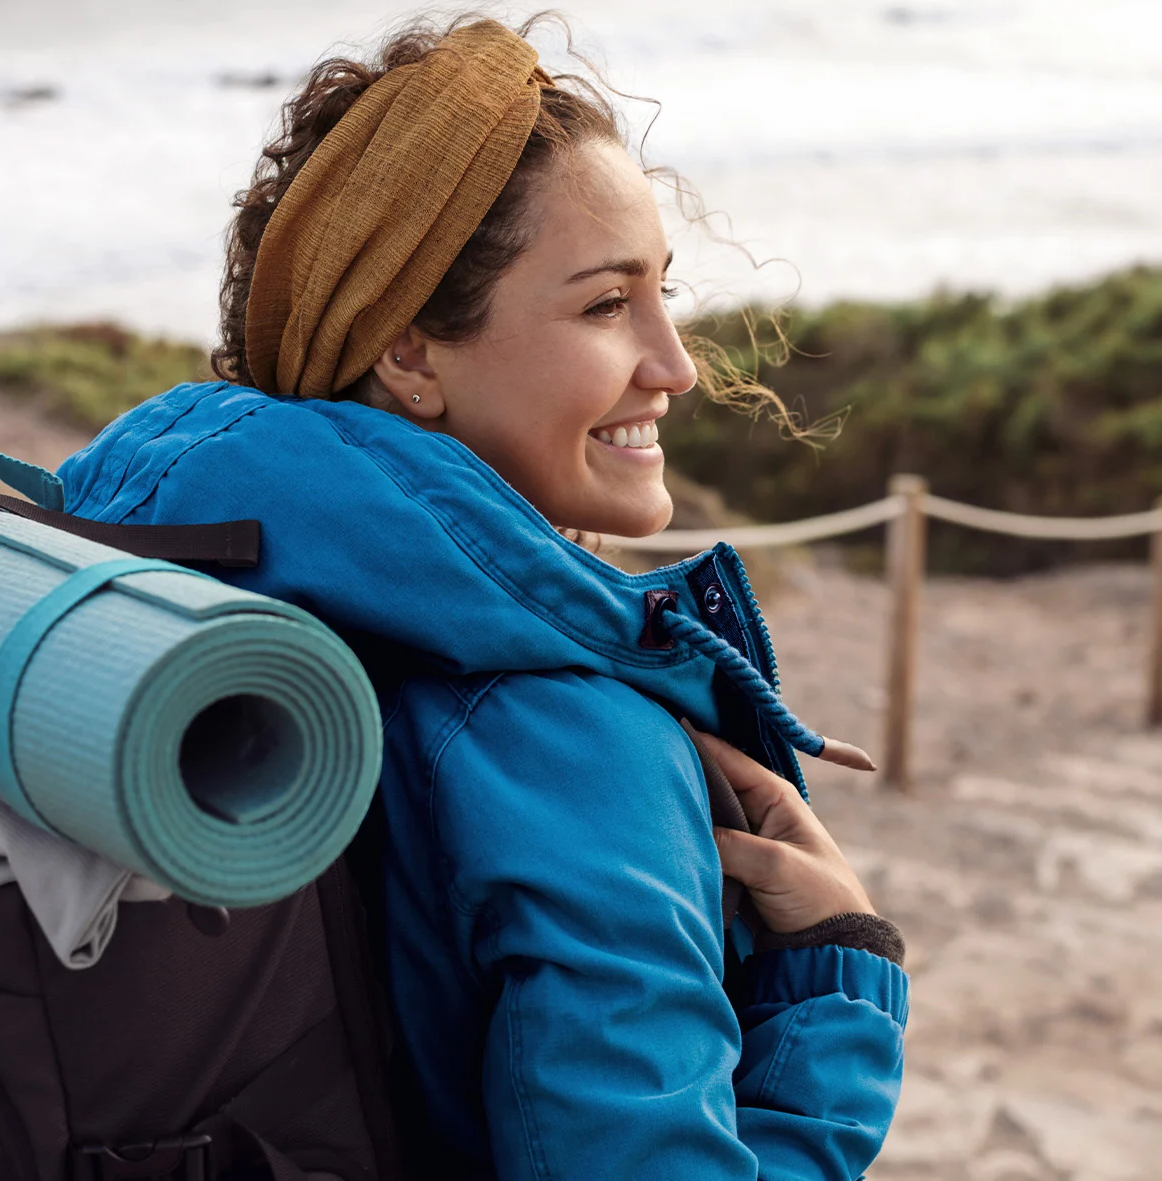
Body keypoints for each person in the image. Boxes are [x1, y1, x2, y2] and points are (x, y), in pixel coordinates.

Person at [60, 14, 907, 1178]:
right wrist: (838, 987)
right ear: (411, 355)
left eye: (663, 292)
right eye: (608, 305)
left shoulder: (179, 568)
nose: (678, 363)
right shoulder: (575, 735)